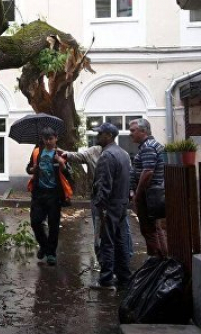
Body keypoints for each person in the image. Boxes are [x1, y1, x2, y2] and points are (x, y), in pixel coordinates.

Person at [63, 144, 134, 262]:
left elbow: (128, 175)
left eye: (102, 134)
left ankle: (123, 258)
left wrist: (129, 191)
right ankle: (104, 260)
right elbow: (79, 156)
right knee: (100, 228)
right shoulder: (94, 151)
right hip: (100, 199)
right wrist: (64, 153)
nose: (99, 137)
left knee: (121, 230)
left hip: (116, 200)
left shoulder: (122, 154)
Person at [90, 123, 132, 288]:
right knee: (120, 241)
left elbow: (104, 185)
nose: (97, 136)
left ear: (108, 135)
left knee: (106, 241)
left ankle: (106, 280)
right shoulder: (123, 153)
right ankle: (124, 278)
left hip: (109, 206)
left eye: (99, 134)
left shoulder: (107, 156)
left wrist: (100, 208)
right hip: (121, 204)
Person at [26, 127, 73, 266]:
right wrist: (32, 169)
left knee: (53, 225)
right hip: (38, 193)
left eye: (50, 139)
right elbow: (28, 168)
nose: (48, 141)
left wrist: (62, 164)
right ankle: (45, 246)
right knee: (35, 222)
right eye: (45, 139)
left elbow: (68, 174)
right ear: (42, 139)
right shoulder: (36, 152)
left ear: (56, 138)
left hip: (54, 194)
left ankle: (51, 253)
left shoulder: (61, 154)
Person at [129, 118, 168, 258]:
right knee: (156, 229)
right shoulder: (153, 145)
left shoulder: (148, 147)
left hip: (148, 195)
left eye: (133, 130)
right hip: (153, 194)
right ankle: (162, 261)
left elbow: (148, 172)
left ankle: (155, 264)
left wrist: (137, 195)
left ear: (143, 131)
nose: (130, 134)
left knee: (149, 231)